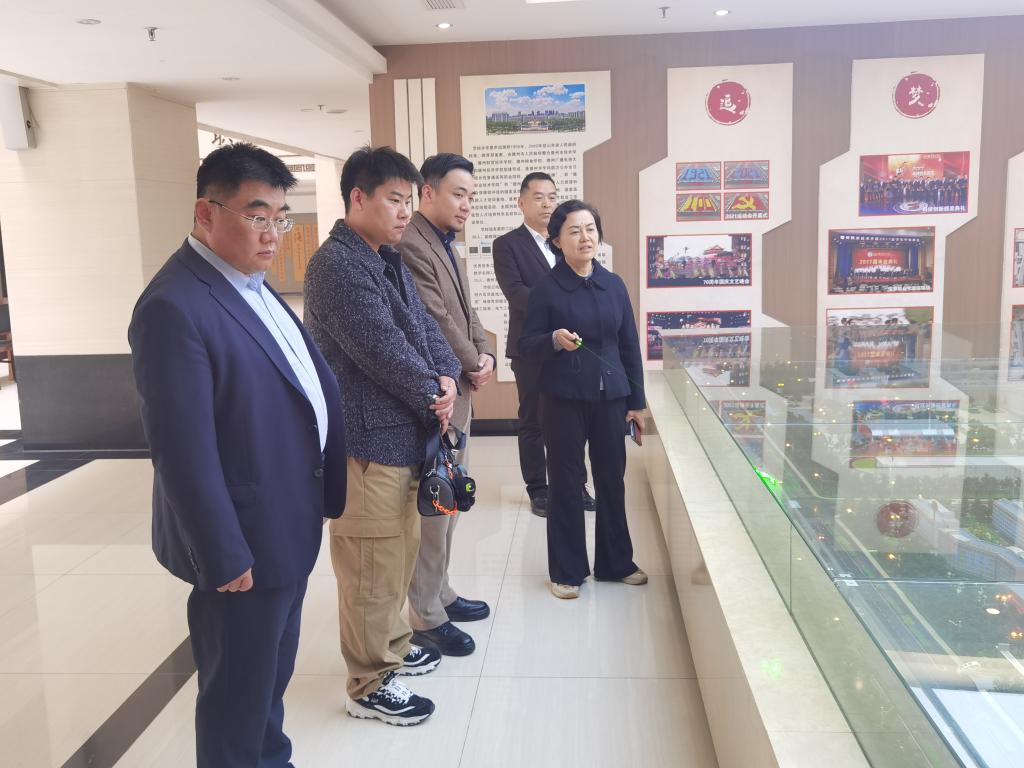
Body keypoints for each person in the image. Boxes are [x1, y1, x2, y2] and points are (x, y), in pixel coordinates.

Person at [128, 142, 348, 766]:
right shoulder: (174, 306)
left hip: (285, 522)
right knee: (236, 698)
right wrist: (221, 552)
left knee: (269, 680)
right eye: (257, 216)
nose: (274, 233)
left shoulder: (250, 282)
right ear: (206, 213)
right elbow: (182, 450)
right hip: (242, 544)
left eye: (281, 217)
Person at [304, 145, 461, 726]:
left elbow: (424, 327)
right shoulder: (336, 265)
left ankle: (393, 644)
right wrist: (432, 391)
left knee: (396, 556)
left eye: (408, 200)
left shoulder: (385, 257)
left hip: (402, 436)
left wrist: (447, 375)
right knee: (370, 566)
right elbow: (381, 348)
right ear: (357, 198)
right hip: (366, 443)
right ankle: (368, 682)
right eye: (394, 200)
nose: (404, 212)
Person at [518, 200, 647, 600]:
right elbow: (525, 345)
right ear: (557, 240)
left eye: (590, 228)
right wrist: (554, 340)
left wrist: (637, 402)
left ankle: (616, 563)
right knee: (566, 483)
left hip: (612, 397)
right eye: (574, 231)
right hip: (563, 399)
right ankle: (567, 571)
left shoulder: (614, 284)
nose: (585, 237)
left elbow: (629, 346)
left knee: (612, 479)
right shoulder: (546, 288)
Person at [396, 153, 494, 656]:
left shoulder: (445, 242)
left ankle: (441, 591)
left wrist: (485, 353)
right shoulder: (412, 243)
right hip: (438, 397)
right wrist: (472, 361)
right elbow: (435, 317)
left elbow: (467, 311)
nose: (466, 205)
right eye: (459, 194)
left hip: (461, 389)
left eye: (471, 196)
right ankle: (426, 615)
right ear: (428, 192)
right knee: (435, 509)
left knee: (452, 503)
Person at [493, 172, 596, 518]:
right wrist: (561, 313)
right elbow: (516, 293)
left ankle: (576, 485)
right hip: (532, 347)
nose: (547, 203)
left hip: (572, 345)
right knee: (534, 421)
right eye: (538, 197)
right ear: (521, 202)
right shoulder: (507, 244)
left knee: (573, 420)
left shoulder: (565, 239)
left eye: (552, 196)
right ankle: (539, 490)